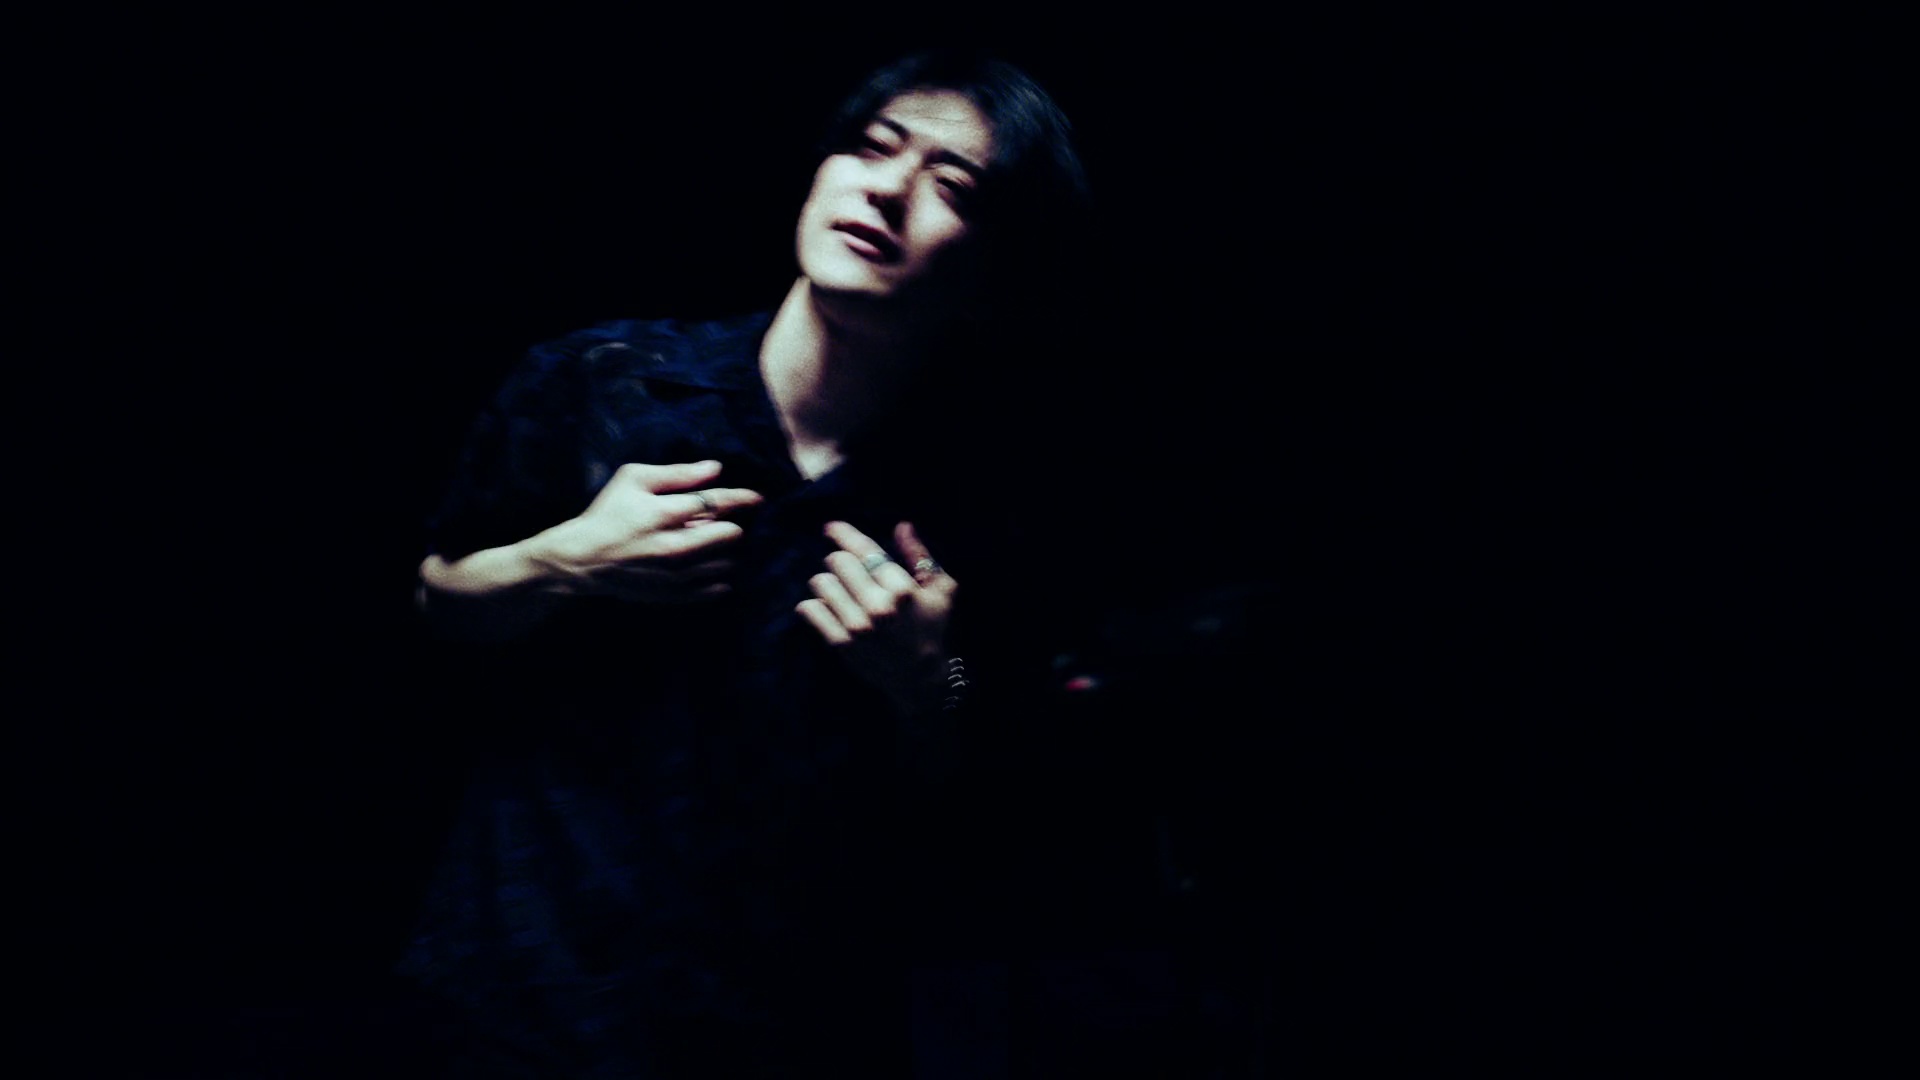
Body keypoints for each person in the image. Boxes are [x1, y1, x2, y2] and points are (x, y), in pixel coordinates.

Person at [395, 51, 1091, 1077]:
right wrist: (563, 560)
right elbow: (438, 599)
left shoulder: (981, 511)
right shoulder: (602, 382)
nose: (886, 189)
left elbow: (975, 758)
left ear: (993, 276)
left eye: (951, 184)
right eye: (873, 147)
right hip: (520, 1000)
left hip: (785, 1030)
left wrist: (925, 680)